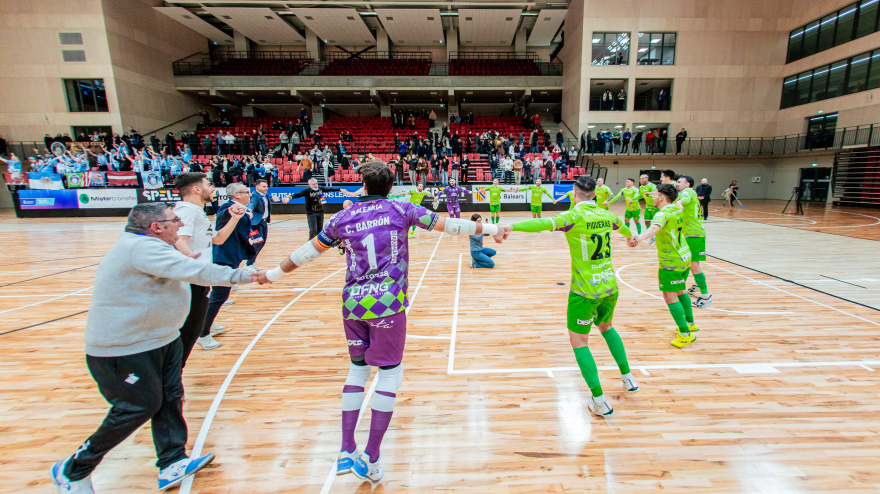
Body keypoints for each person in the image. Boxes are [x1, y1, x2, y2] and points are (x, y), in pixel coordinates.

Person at [252, 161, 507, 483]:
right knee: (389, 374)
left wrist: (271, 274)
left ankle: (346, 448)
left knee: (358, 370)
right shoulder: (402, 209)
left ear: (363, 184)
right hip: (387, 305)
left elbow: (307, 252)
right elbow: (451, 226)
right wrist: (495, 229)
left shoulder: (342, 218)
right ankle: (371, 456)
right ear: (391, 185)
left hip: (353, 305)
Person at [50, 203, 258, 493]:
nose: (179, 225)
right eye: (174, 221)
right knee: (138, 406)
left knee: (171, 396)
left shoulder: (153, 245)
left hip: (162, 339)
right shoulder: (142, 248)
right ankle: (74, 469)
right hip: (125, 348)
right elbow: (193, 270)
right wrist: (242, 276)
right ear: (156, 227)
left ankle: (172, 460)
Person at [504, 176, 638, 417]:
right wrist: (630, 238)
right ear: (595, 195)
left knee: (580, 342)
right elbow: (623, 228)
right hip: (610, 286)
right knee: (607, 327)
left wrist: (511, 227)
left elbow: (543, 224)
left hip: (584, 291)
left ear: (575, 195)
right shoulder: (607, 215)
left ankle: (599, 400)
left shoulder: (573, 216)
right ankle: (628, 378)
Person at [173, 173, 248, 354]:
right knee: (188, 329)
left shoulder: (197, 211)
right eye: (209, 184)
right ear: (196, 189)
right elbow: (179, 240)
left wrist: (235, 218)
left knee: (199, 315)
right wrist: (191, 257)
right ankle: (200, 339)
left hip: (201, 277)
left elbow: (218, 239)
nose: (213, 188)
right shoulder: (187, 211)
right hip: (191, 280)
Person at [629, 184, 700, 348]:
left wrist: (639, 238)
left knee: (670, 296)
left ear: (661, 197)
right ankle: (690, 323)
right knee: (681, 290)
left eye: (654, 195)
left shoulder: (663, 213)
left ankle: (684, 334)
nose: (652, 198)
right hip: (684, 255)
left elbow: (654, 228)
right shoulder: (677, 209)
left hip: (671, 261)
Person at [677, 176, 712, 308]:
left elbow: (684, 200)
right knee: (687, 262)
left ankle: (705, 296)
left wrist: (679, 203)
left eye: (680, 182)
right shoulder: (689, 193)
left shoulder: (687, 193)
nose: (677, 184)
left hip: (694, 234)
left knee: (693, 265)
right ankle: (695, 286)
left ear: (688, 184)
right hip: (689, 234)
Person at [291, 178, 357, 239]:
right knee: (313, 229)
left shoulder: (320, 189)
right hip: (311, 213)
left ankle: (318, 244)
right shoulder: (307, 191)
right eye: (313, 184)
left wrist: (339, 189)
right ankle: (310, 243)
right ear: (309, 185)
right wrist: (289, 198)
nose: (315, 185)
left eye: (316, 183)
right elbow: (297, 194)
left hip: (320, 212)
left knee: (320, 230)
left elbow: (329, 189)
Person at [245, 179, 275, 268]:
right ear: (257, 187)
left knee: (262, 243)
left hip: (263, 223)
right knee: (257, 243)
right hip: (255, 224)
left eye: (266, 186)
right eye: (264, 186)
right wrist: (249, 210)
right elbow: (252, 204)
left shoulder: (264, 196)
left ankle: (252, 262)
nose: (266, 188)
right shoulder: (255, 195)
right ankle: (249, 264)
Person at [638, 174, 658, 244]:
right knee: (647, 221)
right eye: (640, 178)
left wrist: (649, 195)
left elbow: (655, 195)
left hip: (655, 206)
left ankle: (657, 237)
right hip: (648, 206)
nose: (641, 180)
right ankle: (652, 235)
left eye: (642, 178)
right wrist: (633, 199)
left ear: (647, 179)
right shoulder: (641, 187)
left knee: (656, 223)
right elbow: (640, 195)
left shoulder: (653, 186)